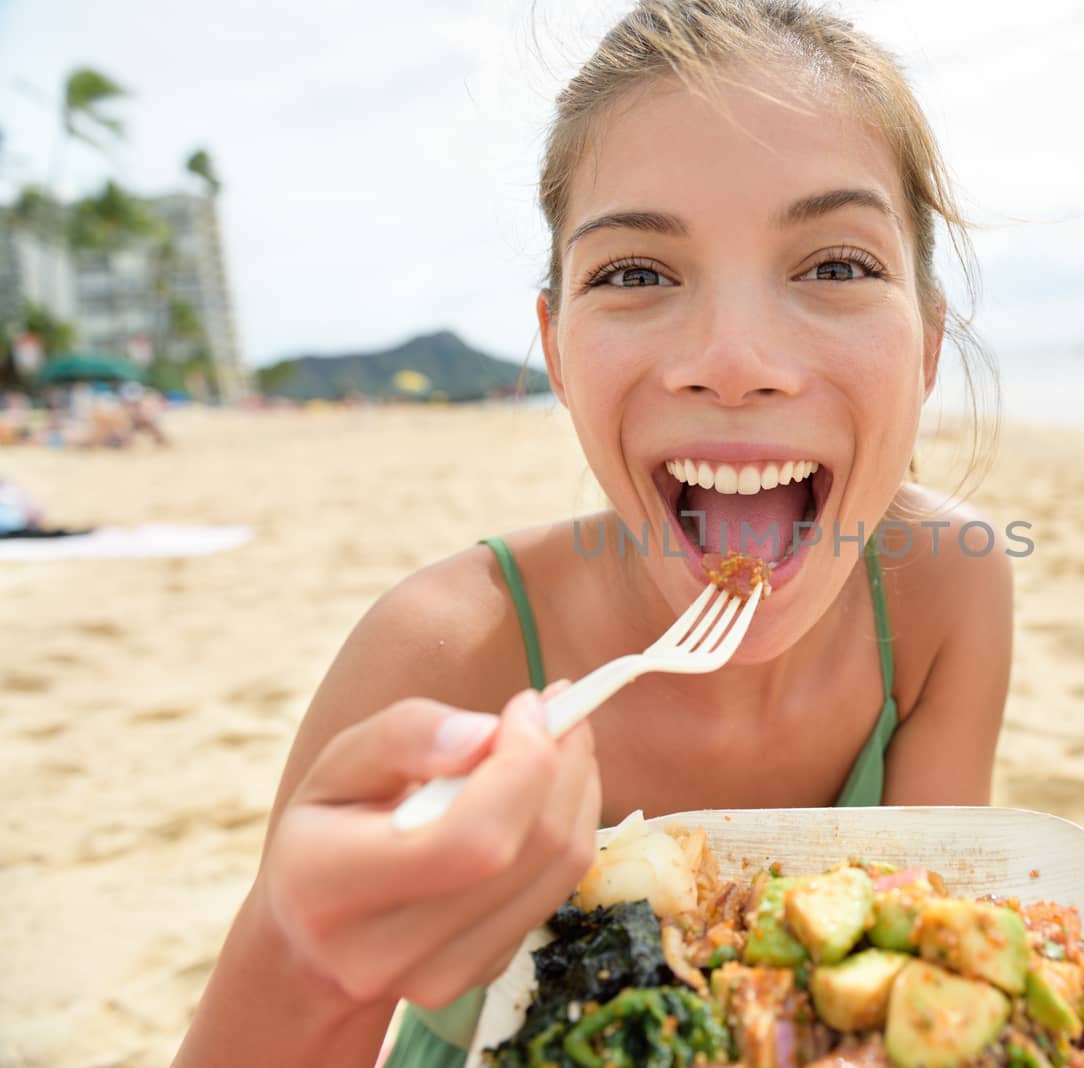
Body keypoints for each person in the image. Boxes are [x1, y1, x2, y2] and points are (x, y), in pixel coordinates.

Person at [173, 2, 1013, 1065]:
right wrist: (304, 956)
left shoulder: (951, 590)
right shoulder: (444, 651)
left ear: (929, 344)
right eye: (634, 272)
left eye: (836, 265)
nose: (736, 357)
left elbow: (927, 982)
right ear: (558, 350)